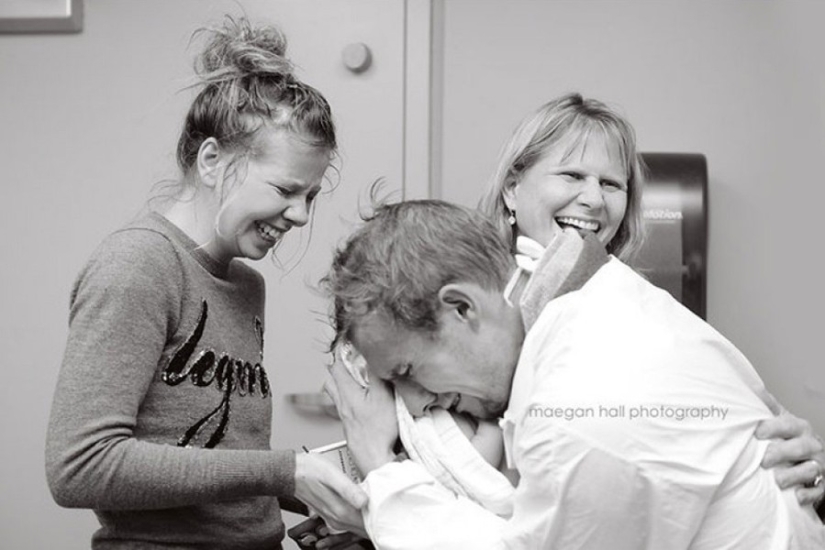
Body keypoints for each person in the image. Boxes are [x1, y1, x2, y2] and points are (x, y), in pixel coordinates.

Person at [323, 199, 825, 549]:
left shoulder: (578, 411)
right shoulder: (606, 305)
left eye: (408, 371)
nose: (415, 402)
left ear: (461, 308)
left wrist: (381, 472)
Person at [45, 16, 365, 549]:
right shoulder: (138, 264)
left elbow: (214, 456)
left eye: (310, 196)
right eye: (285, 190)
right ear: (212, 160)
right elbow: (80, 466)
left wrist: (312, 497)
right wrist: (283, 472)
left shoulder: (246, 286)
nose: (301, 215)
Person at [477, 93, 825, 509]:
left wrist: (807, 459)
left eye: (611, 184)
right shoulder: (459, 303)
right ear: (512, 189)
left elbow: (738, 416)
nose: (594, 199)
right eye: (572, 175)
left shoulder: (642, 312)